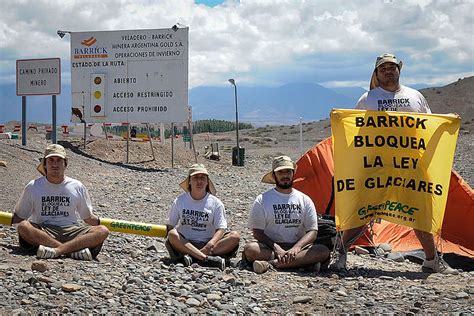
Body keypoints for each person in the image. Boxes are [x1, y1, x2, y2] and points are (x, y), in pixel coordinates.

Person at [329, 53, 457, 274]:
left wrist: (447, 122)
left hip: (410, 164)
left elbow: (428, 125)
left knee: (419, 210)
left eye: (392, 67)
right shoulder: (367, 98)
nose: (388, 71)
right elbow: (356, 131)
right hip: (376, 165)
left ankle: (432, 260)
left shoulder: (415, 96)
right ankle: (340, 254)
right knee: (362, 209)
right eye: (383, 68)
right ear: (377, 73)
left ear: (400, 69)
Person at [12, 144, 109, 260]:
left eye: (59, 160)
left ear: (65, 163)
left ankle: (57, 251)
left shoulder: (77, 186)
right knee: (23, 226)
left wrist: (105, 226)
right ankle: (70, 251)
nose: (54, 164)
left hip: (71, 231)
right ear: (45, 164)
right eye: (51, 160)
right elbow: (20, 217)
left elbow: (88, 218)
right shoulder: (33, 186)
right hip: (44, 231)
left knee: (102, 230)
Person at [243, 156, 330, 274]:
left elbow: (312, 231)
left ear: (293, 173)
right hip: (271, 246)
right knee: (250, 249)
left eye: (288, 171)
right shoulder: (262, 200)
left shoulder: (305, 199)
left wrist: (297, 247)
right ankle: (301, 264)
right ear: (274, 175)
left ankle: (271, 264)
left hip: (298, 247)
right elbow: (257, 232)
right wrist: (276, 247)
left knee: (323, 251)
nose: (285, 176)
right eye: (280, 172)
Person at [166, 164, 240, 271]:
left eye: (203, 178)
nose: (199, 181)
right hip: (186, 242)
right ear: (190, 181)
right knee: (172, 234)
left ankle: (192, 257)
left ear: (207, 182)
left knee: (235, 236)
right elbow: (170, 226)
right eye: (196, 177)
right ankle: (206, 259)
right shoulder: (180, 201)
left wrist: (210, 244)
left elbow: (221, 229)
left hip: (209, 244)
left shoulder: (216, 203)